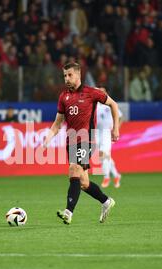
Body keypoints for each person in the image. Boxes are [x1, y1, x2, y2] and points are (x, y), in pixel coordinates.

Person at [43, 62, 120, 225]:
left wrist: (115, 129)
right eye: (64, 75)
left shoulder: (92, 93)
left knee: (74, 170)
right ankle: (106, 201)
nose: (67, 78)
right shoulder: (63, 97)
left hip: (87, 139)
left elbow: (113, 104)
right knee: (83, 182)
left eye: (70, 75)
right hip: (71, 142)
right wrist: (49, 137)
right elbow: (58, 123)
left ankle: (68, 212)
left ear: (78, 75)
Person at [96, 88, 123, 188]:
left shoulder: (110, 104)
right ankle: (116, 175)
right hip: (96, 133)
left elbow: (120, 117)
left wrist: (116, 129)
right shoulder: (95, 105)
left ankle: (106, 177)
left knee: (104, 155)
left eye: (103, 92)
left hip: (107, 133)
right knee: (104, 156)